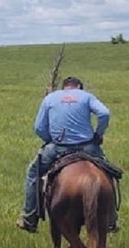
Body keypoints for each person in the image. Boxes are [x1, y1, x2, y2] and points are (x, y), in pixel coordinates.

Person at [16, 74, 117, 233]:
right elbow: (104, 113)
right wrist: (98, 134)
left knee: (32, 173)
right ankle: (111, 218)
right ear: (79, 87)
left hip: (58, 147)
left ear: (64, 87)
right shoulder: (87, 96)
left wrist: (50, 139)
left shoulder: (50, 98)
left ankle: (30, 217)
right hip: (87, 147)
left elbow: (38, 128)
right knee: (108, 172)